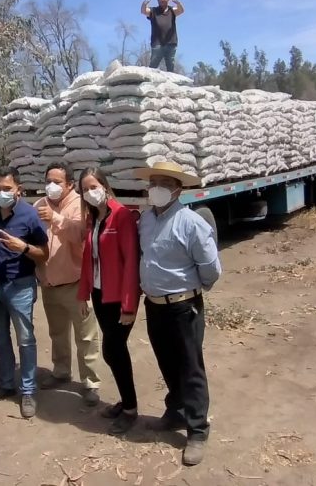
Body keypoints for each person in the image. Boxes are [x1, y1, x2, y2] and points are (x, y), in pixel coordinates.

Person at [134, 161, 222, 466]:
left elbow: (211, 269)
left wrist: (193, 292)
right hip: (155, 306)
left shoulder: (192, 222)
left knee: (190, 367)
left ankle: (198, 429)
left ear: (177, 189)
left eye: (163, 183)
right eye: (152, 182)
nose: (155, 188)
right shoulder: (145, 220)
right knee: (167, 363)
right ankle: (176, 412)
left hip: (184, 307)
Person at [0, 166, 50, 418]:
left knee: (26, 339)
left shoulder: (30, 215)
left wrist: (24, 247)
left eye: (6, 189)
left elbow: (45, 253)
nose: (1, 192)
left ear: (18, 189)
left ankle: (28, 390)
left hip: (20, 285)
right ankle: (6, 384)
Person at [75, 167, 141, 434]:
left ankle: (130, 409)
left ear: (104, 185)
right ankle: (126, 402)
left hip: (118, 299)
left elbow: (131, 264)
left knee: (113, 350)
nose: (90, 192)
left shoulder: (122, 216)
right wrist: (83, 295)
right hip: (100, 295)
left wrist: (129, 305)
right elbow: (87, 260)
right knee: (114, 350)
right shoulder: (93, 218)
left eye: (94, 186)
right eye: (85, 189)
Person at [34, 162, 102, 406]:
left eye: (57, 182)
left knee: (86, 337)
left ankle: (91, 382)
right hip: (49, 283)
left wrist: (56, 219)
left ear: (70, 184)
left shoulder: (79, 204)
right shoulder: (38, 205)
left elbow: (80, 235)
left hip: (76, 284)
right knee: (57, 333)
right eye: (48, 181)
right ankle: (61, 371)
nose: (51, 186)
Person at [140, 0, 185, 71]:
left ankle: (171, 83)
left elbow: (181, 10)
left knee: (170, 66)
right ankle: (148, 82)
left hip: (171, 42)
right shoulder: (153, 11)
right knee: (153, 66)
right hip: (157, 43)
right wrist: (144, 4)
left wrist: (178, 3)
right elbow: (143, 11)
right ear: (157, 0)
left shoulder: (172, 10)